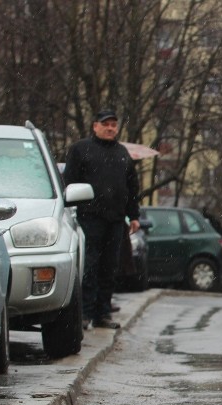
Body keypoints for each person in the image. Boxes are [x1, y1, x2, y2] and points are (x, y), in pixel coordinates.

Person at [63, 109, 140, 330]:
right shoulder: (81, 150)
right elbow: (70, 182)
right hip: (89, 218)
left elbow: (132, 188)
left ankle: (102, 313)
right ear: (95, 126)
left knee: (109, 267)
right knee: (89, 266)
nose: (110, 128)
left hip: (116, 220)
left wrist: (134, 215)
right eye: (106, 124)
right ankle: (85, 313)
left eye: (114, 125)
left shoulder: (122, 153)